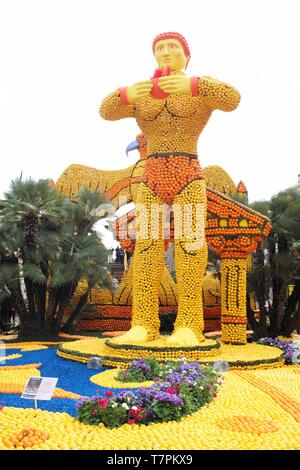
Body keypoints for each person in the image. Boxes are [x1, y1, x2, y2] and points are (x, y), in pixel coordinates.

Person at [100, 32, 240, 346]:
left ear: (185, 56)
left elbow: (232, 99)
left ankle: (189, 325)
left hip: (188, 174)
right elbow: (105, 111)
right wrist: (124, 93)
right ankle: (142, 325)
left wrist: (195, 84)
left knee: (190, 247)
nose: (165, 51)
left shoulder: (198, 90)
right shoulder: (143, 94)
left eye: (172, 47)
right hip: (151, 179)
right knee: (147, 251)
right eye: (160, 47)